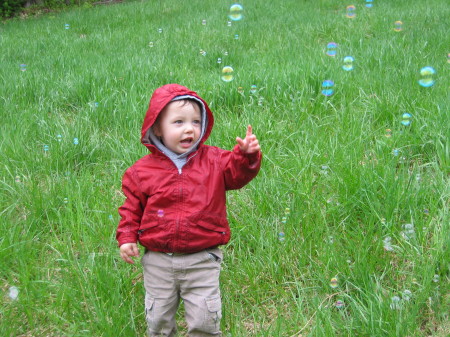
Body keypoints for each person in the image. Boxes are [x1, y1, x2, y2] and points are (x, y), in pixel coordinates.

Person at [116, 83, 262, 336]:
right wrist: (127, 237)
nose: (189, 129)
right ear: (157, 128)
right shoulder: (141, 172)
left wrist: (246, 156)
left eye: (196, 121)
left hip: (202, 258)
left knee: (205, 320)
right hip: (158, 260)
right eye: (178, 122)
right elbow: (131, 209)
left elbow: (237, 176)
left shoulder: (215, 160)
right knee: (159, 319)